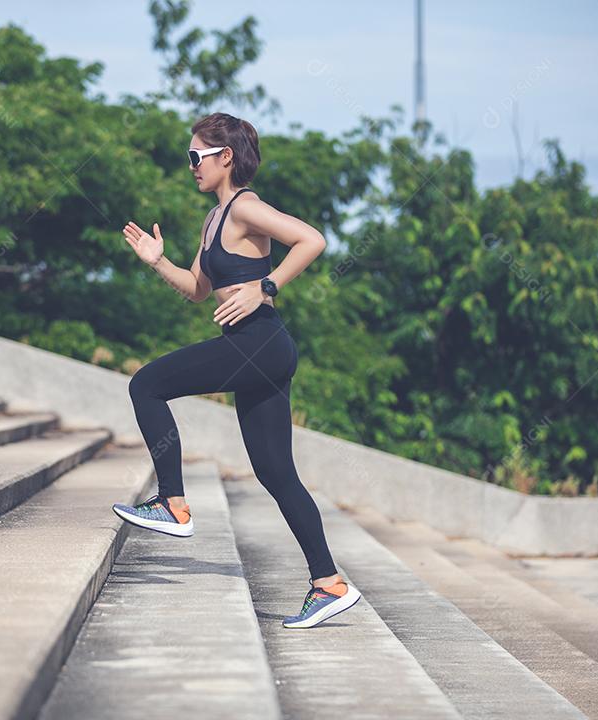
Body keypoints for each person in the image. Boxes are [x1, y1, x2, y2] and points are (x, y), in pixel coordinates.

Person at [111, 112, 362, 628]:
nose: (191, 167)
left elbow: (312, 240)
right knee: (275, 473)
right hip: (257, 351)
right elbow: (199, 289)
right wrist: (157, 262)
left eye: (196, 156)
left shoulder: (245, 206)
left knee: (147, 384)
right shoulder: (213, 219)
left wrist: (265, 286)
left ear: (225, 157)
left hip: (260, 344)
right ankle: (329, 582)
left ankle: (174, 504)